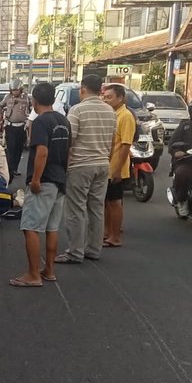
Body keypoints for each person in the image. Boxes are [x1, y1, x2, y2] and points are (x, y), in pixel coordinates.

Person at [9, 82, 70, 287]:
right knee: (52, 227)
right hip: (60, 179)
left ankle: (33, 275)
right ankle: (49, 270)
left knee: (30, 227)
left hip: (44, 180)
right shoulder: (63, 120)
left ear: (34, 100)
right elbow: (69, 152)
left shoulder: (41, 122)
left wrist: (35, 179)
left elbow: (42, 152)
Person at [56, 74, 117, 265]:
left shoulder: (77, 110)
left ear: (83, 89)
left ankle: (75, 252)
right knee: (97, 208)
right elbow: (113, 141)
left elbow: (69, 140)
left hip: (81, 165)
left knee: (76, 209)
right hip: (102, 164)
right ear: (100, 90)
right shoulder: (110, 111)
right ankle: (93, 249)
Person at [101, 83, 135, 248]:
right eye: (105, 97)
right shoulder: (112, 114)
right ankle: (107, 233)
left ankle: (115, 236)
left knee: (115, 202)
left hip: (116, 167)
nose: (106, 100)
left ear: (120, 98)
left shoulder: (125, 116)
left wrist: (117, 170)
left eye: (110, 97)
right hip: (107, 165)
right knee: (107, 201)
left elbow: (126, 145)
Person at [0, 80, 31, 180]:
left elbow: (32, 109)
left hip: (22, 127)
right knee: (11, 148)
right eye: (13, 90)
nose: (14, 92)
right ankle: (10, 169)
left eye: (16, 90)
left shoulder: (26, 98)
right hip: (10, 126)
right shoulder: (7, 97)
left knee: (19, 149)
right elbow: (0, 106)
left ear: (20, 89)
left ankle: (15, 168)